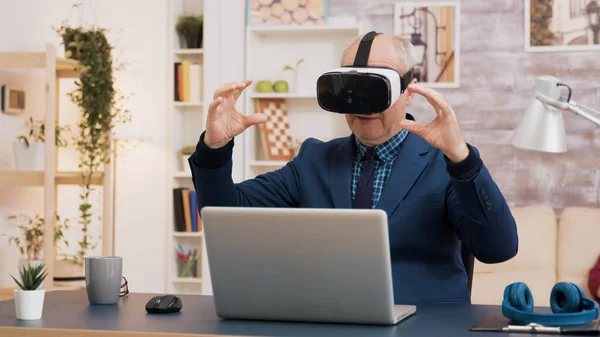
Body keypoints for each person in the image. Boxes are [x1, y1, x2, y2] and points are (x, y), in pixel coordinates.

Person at [188, 33, 518, 305]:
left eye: (377, 85)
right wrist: (215, 148)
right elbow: (224, 216)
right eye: (352, 86)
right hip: (332, 322)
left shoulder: (443, 165)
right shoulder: (314, 160)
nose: (363, 102)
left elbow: (498, 249)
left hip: (424, 325)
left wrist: (461, 158)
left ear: (408, 91)